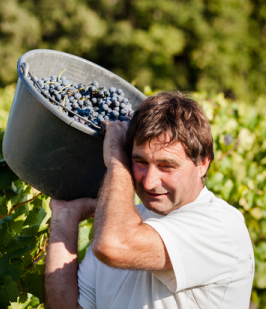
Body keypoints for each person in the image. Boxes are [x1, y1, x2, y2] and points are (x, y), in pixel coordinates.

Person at [44, 91, 254, 309]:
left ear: (203, 164)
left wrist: (116, 158)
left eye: (167, 166)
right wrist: (64, 215)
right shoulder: (121, 222)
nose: (150, 182)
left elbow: (113, 245)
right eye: (140, 162)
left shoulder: (221, 228)